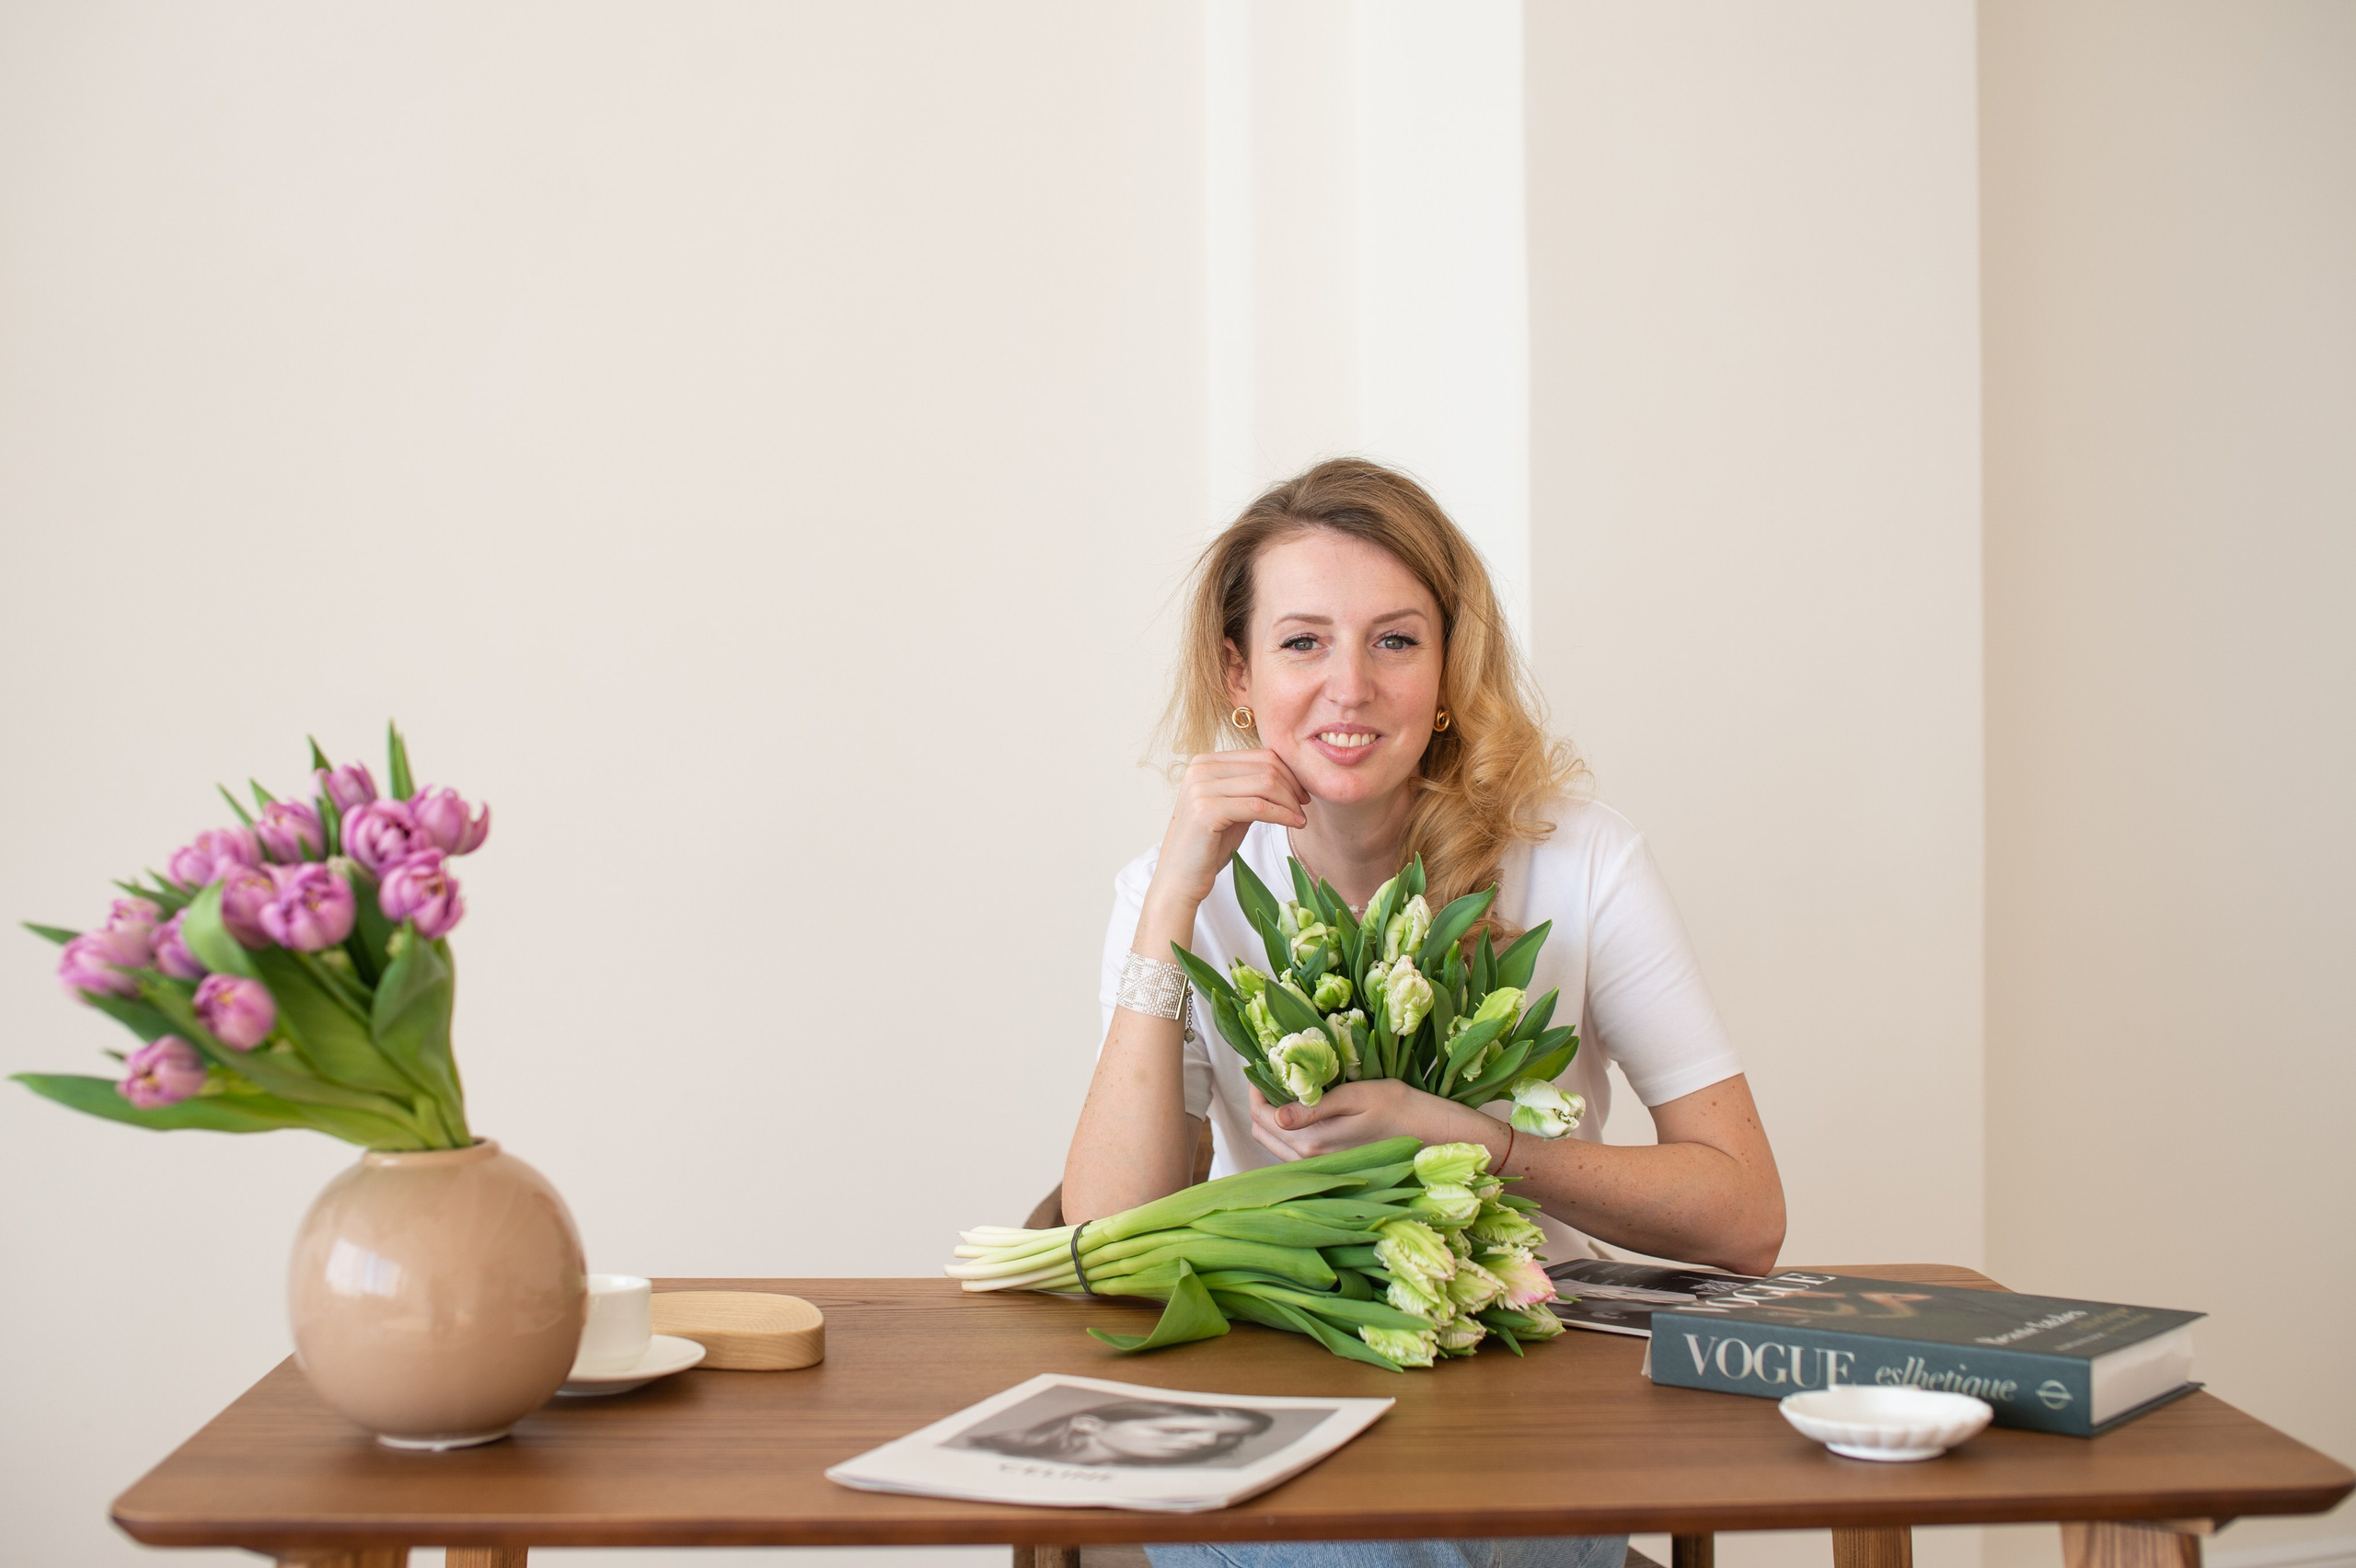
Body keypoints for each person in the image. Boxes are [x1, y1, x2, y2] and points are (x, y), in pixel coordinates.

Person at [1062, 457, 1787, 1568]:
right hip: (1280, 1385)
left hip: (1522, 1375)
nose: (1348, 687)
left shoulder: (1580, 861)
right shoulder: (1175, 890)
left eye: (1394, 640)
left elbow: (1744, 1218)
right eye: (1303, 642)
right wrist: (1170, 902)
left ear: (1449, 671)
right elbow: (1108, 1236)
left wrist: (1481, 1146)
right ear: (1237, 673)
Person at [962, 1399, 1274, 1468]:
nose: (1206, 1443)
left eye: (1227, 1439)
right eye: (1178, 1429)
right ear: (1088, 1424)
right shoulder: (980, 1455)